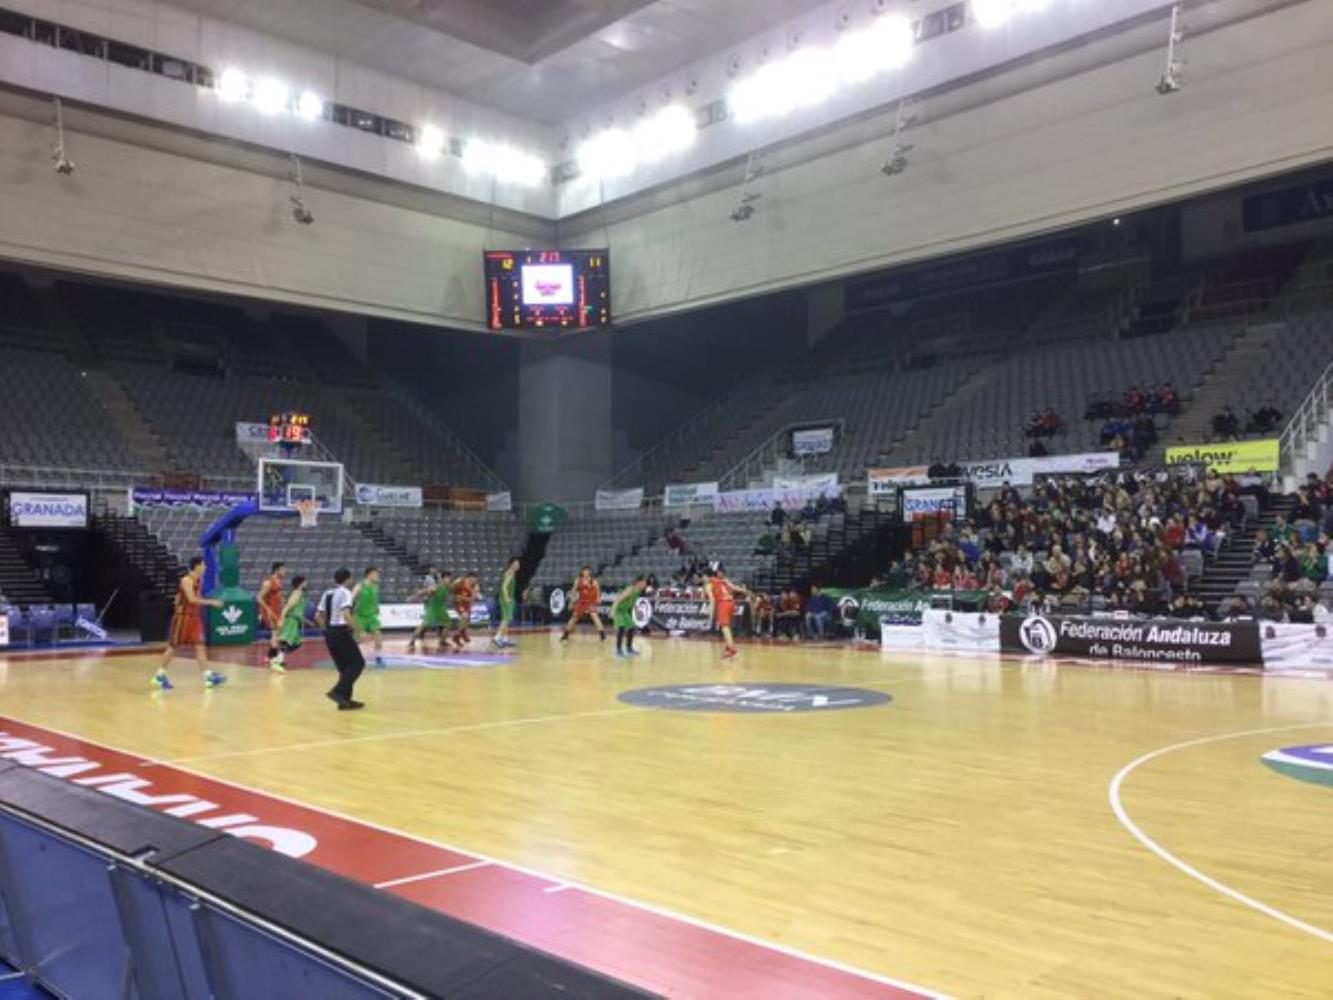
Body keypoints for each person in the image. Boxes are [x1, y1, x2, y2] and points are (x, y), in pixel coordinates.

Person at [153, 556, 226, 690]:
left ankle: (207, 676)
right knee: (173, 647)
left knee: (200, 646)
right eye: (203, 565)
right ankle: (159, 675)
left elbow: (178, 599)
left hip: (194, 618)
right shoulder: (187, 580)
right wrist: (211, 602)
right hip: (183, 618)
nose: (205, 567)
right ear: (197, 566)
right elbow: (191, 599)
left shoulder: (198, 581)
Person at [317, 568, 364, 710]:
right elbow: (346, 615)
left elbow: (317, 616)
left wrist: (327, 631)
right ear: (348, 579)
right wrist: (359, 630)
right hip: (341, 631)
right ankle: (337, 692)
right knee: (358, 663)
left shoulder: (327, 593)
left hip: (330, 633)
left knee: (344, 668)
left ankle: (344, 701)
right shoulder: (345, 593)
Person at [407, 568, 452, 653]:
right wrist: (413, 597)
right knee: (424, 625)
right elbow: (423, 591)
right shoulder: (436, 587)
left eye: (449, 578)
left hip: (441, 608)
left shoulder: (447, 587)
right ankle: (412, 641)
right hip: (433, 609)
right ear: (442, 579)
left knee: (448, 624)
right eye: (447, 578)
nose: (449, 580)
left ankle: (442, 641)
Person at [706, 567, 746, 660]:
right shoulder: (723, 580)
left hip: (723, 603)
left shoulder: (709, 584)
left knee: (725, 627)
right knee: (727, 627)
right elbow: (733, 587)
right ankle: (728, 648)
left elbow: (712, 599)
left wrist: (711, 614)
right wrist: (743, 590)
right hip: (732, 603)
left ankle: (732, 651)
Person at [272, 575, 309, 670]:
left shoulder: (299, 593)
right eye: (305, 582)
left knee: (297, 643)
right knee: (287, 641)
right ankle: (278, 660)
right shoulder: (297, 593)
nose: (307, 584)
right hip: (291, 620)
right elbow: (287, 607)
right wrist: (281, 619)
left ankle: (278, 658)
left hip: (295, 620)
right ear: (300, 583)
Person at [560, 567, 607, 642]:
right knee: (574, 618)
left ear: (590, 572)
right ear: (582, 572)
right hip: (581, 601)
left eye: (587, 571)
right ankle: (565, 635)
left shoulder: (593, 581)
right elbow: (573, 591)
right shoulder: (578, 580)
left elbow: (598, 591)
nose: (586, 572)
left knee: (595, 617)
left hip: (591, 601)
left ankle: (602, 635)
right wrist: (571, 602)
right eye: (584, 571)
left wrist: (598, 599)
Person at [257, 562, 287, 670]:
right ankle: (274, 659)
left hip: (277, 611)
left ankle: (271, 657)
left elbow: (279, 597)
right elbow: (259, 598)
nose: (285, 571)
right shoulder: (268, 583)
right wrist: (267, 609)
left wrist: (283, 608)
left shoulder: (279, 582)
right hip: (270, 612)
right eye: (283, 569)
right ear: (277, 570)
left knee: (278, 634)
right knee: (275, 634)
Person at [351, 567, 383, 666]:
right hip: (359, 616)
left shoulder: (376, 586)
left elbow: (375, 599)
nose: (377, 576)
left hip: (371, 616)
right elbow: (350, 600)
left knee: (378, 634)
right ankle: (352, 656)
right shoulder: (359, 586)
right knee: (359, 639)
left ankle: (378, 657)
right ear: (369, 574)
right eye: (376, 574)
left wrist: (377, 607)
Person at [611, 575, 648, 659]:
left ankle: (629, 648)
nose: (645, 585)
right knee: (621, 627)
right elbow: (618, 600)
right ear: (639, 582)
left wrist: (636, 609)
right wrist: (613, 611)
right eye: (644, 583)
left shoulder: (637, 591)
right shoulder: (630, 589)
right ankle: (618, 650)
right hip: (619, 610)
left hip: (625, 611)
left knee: (631, 627)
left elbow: (631, 602)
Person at [492, 556, 521, 649]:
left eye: (518, 564)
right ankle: (497, 637)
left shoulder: (510, 572)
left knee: (507, 619)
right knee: (506, 619)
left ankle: (505, 638)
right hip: (506, 599)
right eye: (516, 564)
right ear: (511, 564)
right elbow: (504, 586)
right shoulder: (510, 573)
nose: (518, 565)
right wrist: (507, 598)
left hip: (507, 598)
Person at [451, 572, 480, 650]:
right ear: (469, 578)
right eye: (473, 580)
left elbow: (472, 600)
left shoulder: (475, 586)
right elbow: (452, 589)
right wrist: (455, 596)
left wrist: (462, 597)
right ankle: (456, 637)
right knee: (465, 616)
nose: (474, 581)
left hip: (466, 603)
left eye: (476, 580)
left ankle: (463, 632)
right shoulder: (460, 581)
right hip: (459, 603)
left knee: (467, 620)